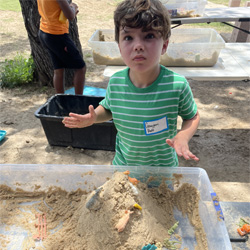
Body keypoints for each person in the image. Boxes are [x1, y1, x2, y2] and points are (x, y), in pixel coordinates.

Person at [62, 0, 200, 167]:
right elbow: (108, 108)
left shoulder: (177, 86)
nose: (138, 46)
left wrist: (183, 136)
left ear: (164, 45)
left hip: (163, 171)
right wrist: (94, 118)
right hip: (124, 169)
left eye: (149, 36)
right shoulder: (116, 82)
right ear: (119, 47)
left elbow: (192, 116)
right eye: (128, 37)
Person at [37, 0, 86, 95]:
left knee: (58, 69)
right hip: (57, 35)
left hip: (44, 32)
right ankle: (78, 100)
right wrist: (73, 7)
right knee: (80, 68)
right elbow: (70, 16)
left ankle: (60, 100)